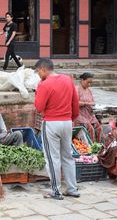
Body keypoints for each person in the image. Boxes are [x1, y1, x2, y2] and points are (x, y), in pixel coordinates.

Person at [34, 58, 80, 200]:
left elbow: (39, 107)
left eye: (38, 72)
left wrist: (37, 89)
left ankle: (56, 191)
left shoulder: (44, 84)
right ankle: (72, 188)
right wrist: (70, 119)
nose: (38, 75)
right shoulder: (67, 80)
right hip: (67, 122)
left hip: (51, 123)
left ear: (43, 69)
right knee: (68, 156)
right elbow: (75, 103)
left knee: (52, 158)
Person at [74, 72, 102, 142]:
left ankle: (99, 145)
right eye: (88, 82)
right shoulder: (76, 89)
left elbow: (92, 102)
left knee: (99, 127)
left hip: (89, 114)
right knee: (90, 128)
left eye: (90, 83)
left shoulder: (88, 90)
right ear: (82, 80)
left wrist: (94, 105)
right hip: (79, 115)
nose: (89, 85)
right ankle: (91, 147)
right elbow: (75, 103)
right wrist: (86, 103)